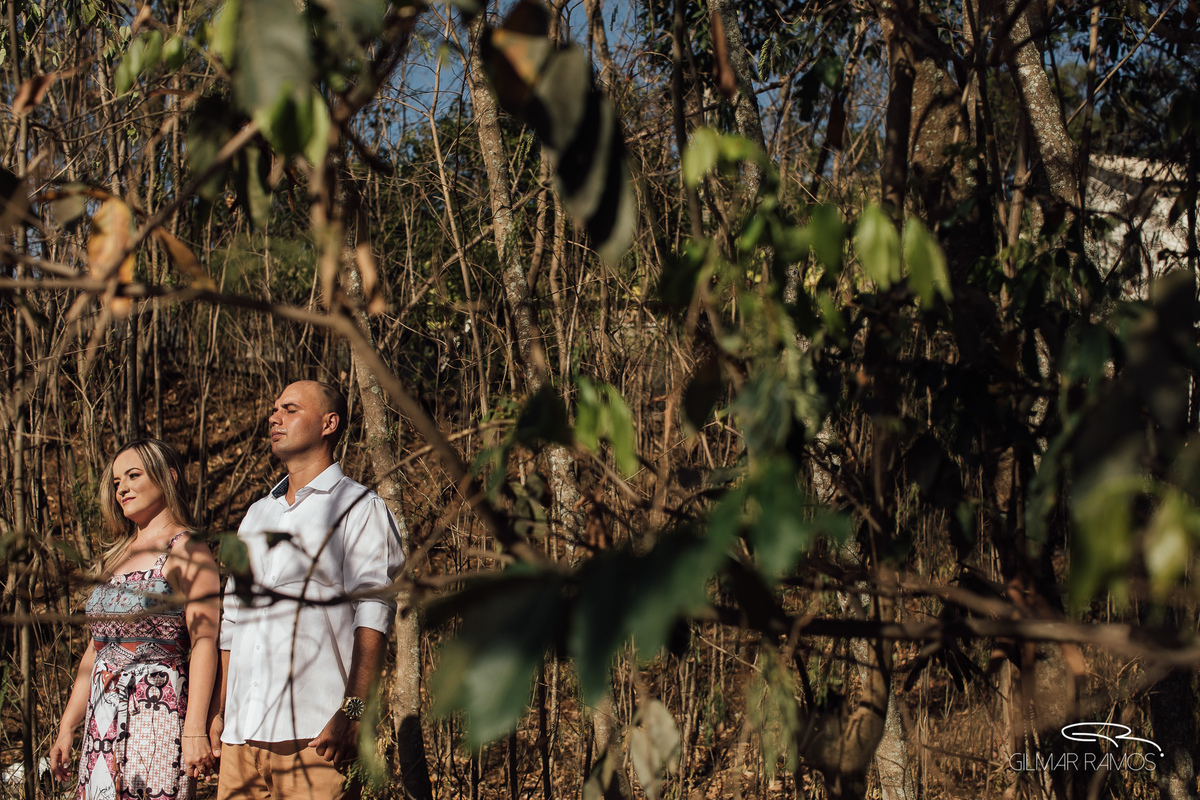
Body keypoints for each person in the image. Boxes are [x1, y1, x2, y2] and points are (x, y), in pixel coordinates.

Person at [213, 380, 405, 800]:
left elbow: (374, 615)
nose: (274, 417)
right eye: (274, 408)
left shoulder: (359, 507)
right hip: (240, 742)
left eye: (290, 409)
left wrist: (353, 713)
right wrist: (222, 710)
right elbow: (232, 621)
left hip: (315, 740)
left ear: (328, 423)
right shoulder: (256, 514)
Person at [49, 439, 221, 799]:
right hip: (101, 720)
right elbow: (96, 651)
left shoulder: (187, 547)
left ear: (169, 476)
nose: (122, 488)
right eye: (116, 482)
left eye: (132, 475)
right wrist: (68, 726)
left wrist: (195, 728)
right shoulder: (116, 556)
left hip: (155, 713)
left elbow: (206, 639)